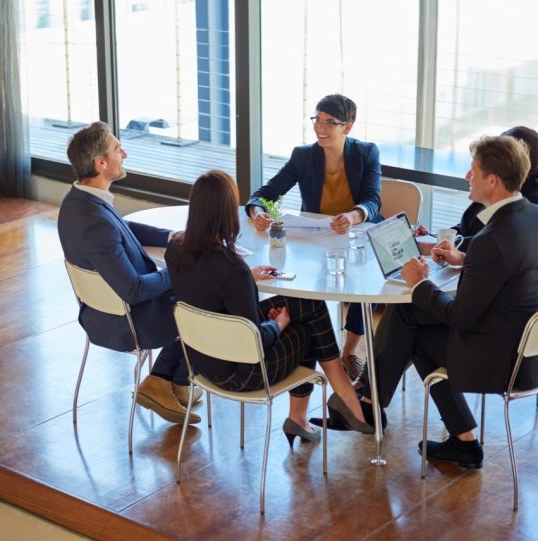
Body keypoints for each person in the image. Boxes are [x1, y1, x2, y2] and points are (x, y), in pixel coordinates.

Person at [346, 135, 538, 468]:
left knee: (415, 329)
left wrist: (420, 282)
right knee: (411, 316)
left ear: (492, 181)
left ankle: (372, 405)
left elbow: (460, 318)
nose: (466, 176)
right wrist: (465, 259)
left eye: (472, 171)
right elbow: (508, 268)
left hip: (504, 361)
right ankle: (375, 405)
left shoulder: (493, 240)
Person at [166, 169, 372, 444]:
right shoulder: (232, 269)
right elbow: (255, 343)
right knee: (308, 322)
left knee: (306, 305)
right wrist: (277, 325)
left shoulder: (177, 249)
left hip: (202, 362)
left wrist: (249, 278)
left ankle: (307, 416)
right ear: (227, 211)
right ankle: (346, 401)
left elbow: (207, 291)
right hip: (243, 373)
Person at [58, 121, 202, 427]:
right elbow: (134, 290)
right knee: (205, 298)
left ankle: (176, 380)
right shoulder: (94, 222)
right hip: (129, 322)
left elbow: (124, 229)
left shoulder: (79, 202)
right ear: (101, 163)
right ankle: (160, 380)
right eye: (116, 148)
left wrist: (177, 238)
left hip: (100, 313)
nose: (124, 152)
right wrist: (181, 271)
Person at [244, 94, 381, 381]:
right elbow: (263, 194)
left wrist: (354, 216)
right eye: (317, 120)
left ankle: (349, 351)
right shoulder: (303, 156)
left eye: (330, 122)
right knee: (301, 286)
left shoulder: (366, 153)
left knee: (361, 286)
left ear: (348, 127)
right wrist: (257, 211)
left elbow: (373, 201)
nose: (321, 127)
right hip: (317, 237)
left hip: (356, 235)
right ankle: (308, 351)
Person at [415, 126, 538, 255]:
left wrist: (439, 247)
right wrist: (434, 237)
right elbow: (468, 228)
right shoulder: (497, 189)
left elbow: (494, 242)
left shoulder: (536, 205)